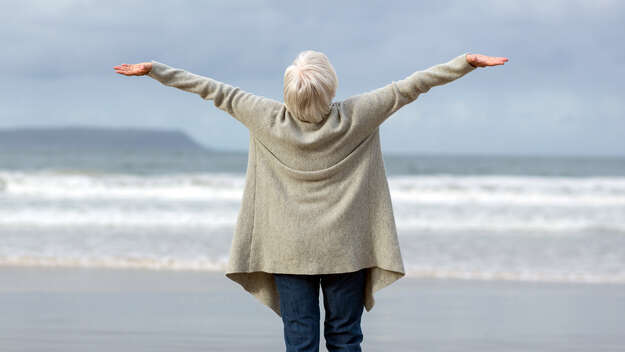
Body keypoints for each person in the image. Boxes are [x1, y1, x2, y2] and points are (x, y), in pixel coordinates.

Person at [114, 51, 507, 352]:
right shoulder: (358, 115)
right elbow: (413, 85)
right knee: (344, 337)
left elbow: (212, 90)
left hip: (289, 252)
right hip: (345, 250)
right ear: (330, 87)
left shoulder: (263, 116)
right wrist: (466, 63)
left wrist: (156, 71)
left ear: (288, 91)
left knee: (300, 343)